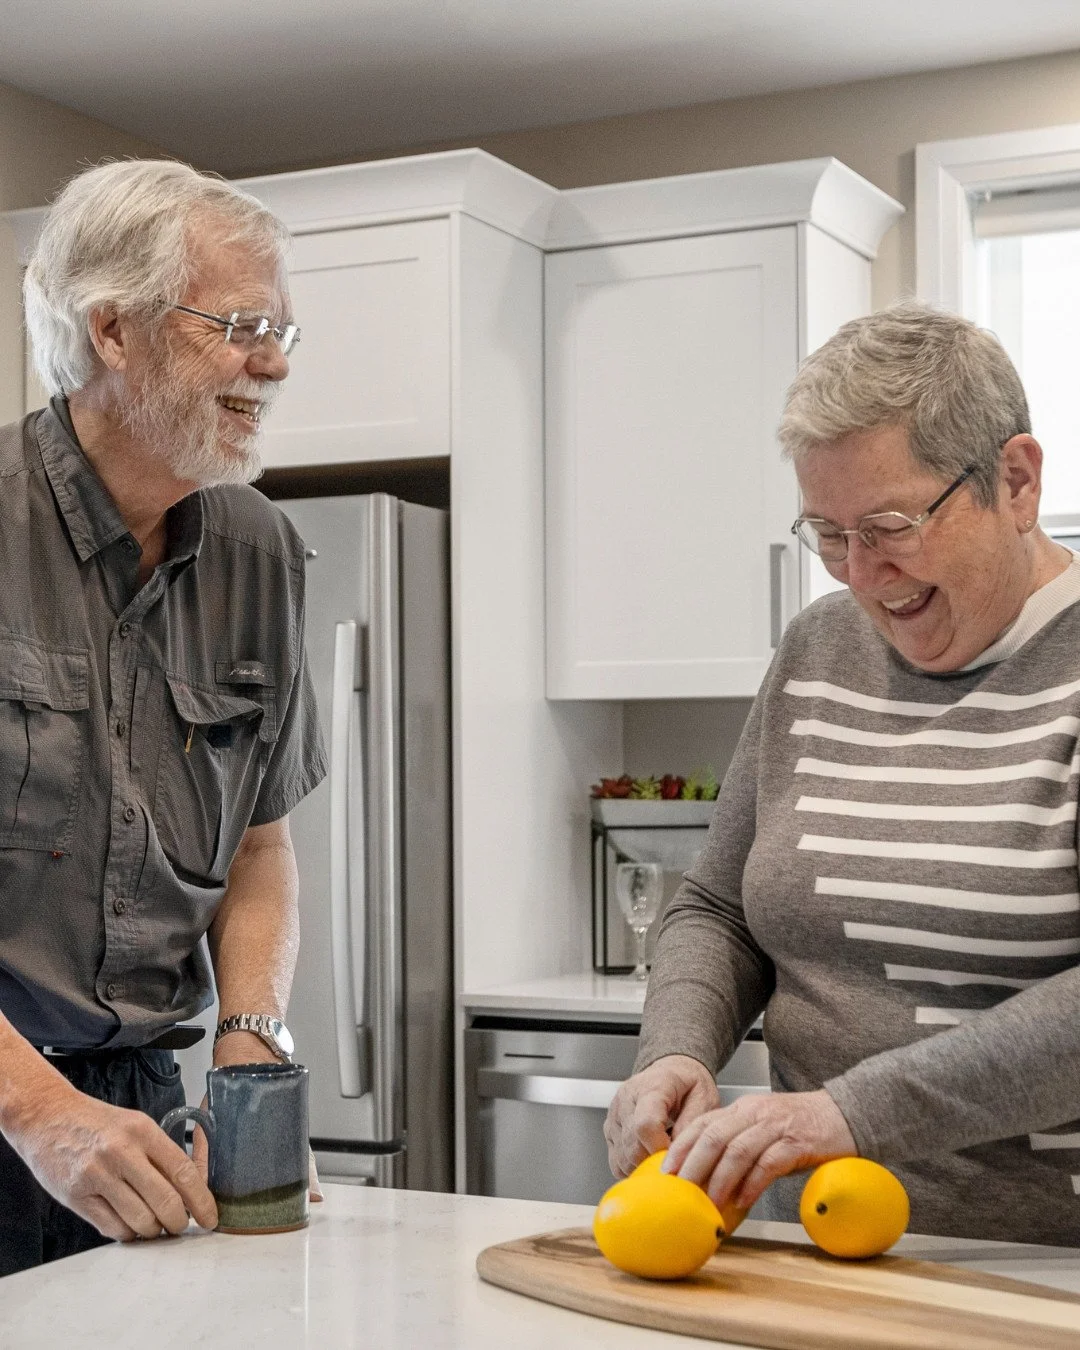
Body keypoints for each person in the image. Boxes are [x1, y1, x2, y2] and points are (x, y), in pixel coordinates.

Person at [604, 301, 1080, 1245]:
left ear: (1015, 482)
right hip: (803, 1255)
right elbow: (718, 907)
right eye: (828, 533)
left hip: (1037, 1275)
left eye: (890, 525)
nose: (859, 576)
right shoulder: (820, 648)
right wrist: (675, 1049)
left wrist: (850, 1114)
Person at [0, 160, 327, 1275]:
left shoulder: (261, 553)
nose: (273, 363)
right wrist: (38, 1113)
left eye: (283, 330)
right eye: (238, 325)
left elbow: (261, 844)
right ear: (115, 333)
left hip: (148, 1109)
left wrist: (250, 1050)